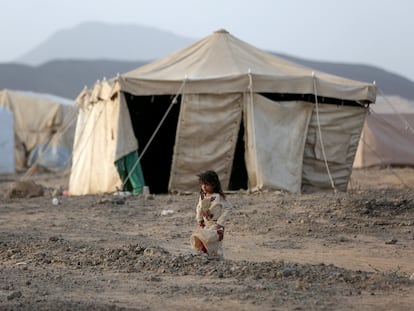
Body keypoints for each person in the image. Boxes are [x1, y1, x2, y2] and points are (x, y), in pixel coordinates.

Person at [190, 170, 232, 259]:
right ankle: (206, 254)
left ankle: (210, 255)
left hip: (216, 224)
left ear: (214, 184)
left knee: (213, 240)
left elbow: (228, 208)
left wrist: (220, 222)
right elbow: (199, 208)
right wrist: (200, 219)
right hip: (206, 224)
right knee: (203, 237)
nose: (204, 186)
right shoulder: (203, 197)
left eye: (207, 184)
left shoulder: (219, 197)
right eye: (202, 184)